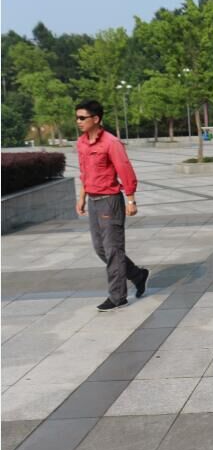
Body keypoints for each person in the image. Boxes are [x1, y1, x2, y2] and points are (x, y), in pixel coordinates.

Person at [75, 100, 149, 312]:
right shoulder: (81, 143)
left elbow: (125, 170)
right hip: (93, 200)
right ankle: (137, 275)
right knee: (100, 249)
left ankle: (117, 297)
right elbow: (85, 172)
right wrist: (82, 197)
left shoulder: (111, 142)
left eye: (82, 117)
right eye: (77, 117)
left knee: (113, 250)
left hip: (109, 201)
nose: (78, 121)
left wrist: (131, 199)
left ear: (96, 119)